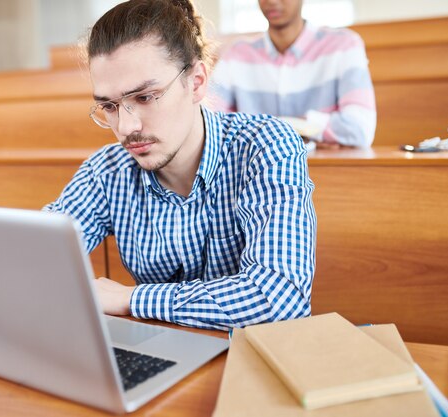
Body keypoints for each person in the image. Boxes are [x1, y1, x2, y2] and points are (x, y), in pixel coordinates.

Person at [44, 0, 316, 331]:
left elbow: (279, 298)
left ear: (197, 81)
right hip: (166, 355)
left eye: (144, 98)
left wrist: (133, 299)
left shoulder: (266, 146)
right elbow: (33, 255)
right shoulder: (106, 172)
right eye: (109, 106)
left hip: (254, 361)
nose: (127, 128)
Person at [209, 0, 377, 148]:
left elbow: (360, 128)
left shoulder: (344, 45)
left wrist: (260, 130)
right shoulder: (237, 53)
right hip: (256, 176)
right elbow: (210, 123)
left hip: (329, 172)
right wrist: (312, 131)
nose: (272, 1)